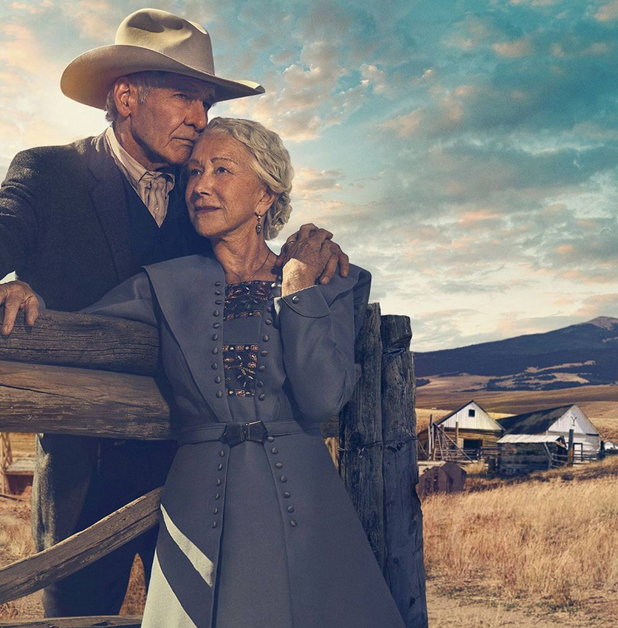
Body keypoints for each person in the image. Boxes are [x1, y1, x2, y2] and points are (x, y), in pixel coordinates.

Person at [0, 10, 352, 616]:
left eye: (205, 102)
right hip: (82, 470)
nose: (200, 118)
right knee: (77, 618)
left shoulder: (200, 189)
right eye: (185, 97)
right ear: (126, 97)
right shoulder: (53, 172)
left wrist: (310, 258)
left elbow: (249, 260)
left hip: (191, 471)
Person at [72, 118, 408, 626]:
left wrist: (297, 286)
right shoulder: (162, 284)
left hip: (303, 502)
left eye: (222, 170)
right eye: (194, 172)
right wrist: (25, 293)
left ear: (265, 195)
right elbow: (76, 331)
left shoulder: (328, 280)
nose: (201, 186)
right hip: (197, 502)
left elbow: (322, 397)